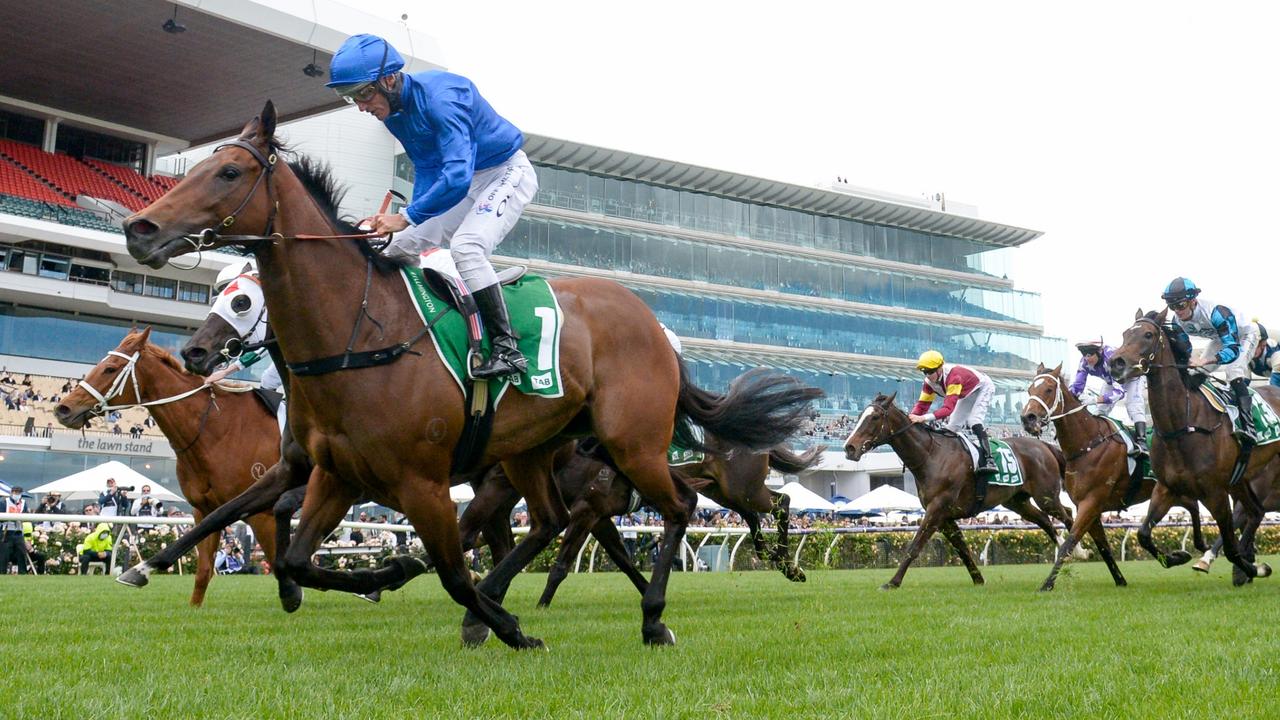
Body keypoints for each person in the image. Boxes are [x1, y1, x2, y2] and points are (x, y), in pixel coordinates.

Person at [327, 33, 539, 380]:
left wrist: (406, 216)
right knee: (395, 247)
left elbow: (455, 175)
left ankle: (507, 348)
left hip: (505, 171)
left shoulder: (442, 98)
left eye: (364, 93)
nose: (362, 106)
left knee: (467, 248)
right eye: (351, 97)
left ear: (390, 79)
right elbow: (428, 169)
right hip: (465, 180)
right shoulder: (393, 113)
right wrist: (407, 222)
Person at [1162, 277, 1261, 446]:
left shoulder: (1216, 312)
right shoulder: (1176, 321)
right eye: (1172, 306)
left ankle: (1249, 427)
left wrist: (1208, 360)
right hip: (1219, 338)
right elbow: (1185, 349)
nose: (1177, 311)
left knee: (1233, 370)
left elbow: (1233, 349)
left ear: (1193, 301)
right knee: (1196, 373)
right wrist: (1189, 359)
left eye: (1180, 305)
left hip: (1244, 335)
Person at [908, 350, 998, 477]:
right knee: (951, 428)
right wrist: (910, 418)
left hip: (982, 388)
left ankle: (989, 460)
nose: (928, 375)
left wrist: (923, 418)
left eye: (930, 371)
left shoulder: (954, 377)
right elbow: (922, 405)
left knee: (973, 421)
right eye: (924, 372)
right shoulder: (928, 383)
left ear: (940, 368)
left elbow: (948, 409)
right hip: (966, 393)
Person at [1068, 337, 1150, 454]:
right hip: (1112, 380)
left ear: (1099, 351)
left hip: (1132, 378)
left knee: (1133, 405)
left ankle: (1142, 442)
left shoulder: (1111, 358)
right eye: (1084, 354)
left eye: (1090, 354)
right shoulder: (1084, 362)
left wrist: (1095, 399)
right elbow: (1077, 387)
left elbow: (1119, 393)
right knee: (1100, 411)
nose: (1087, 358)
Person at [1, 485, 28, 574]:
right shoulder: (4, 502)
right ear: (11, 493)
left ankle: (23, 573)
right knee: (4, 554)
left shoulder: (23, 503)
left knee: (21, 553)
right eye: (15, 492)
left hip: (19, 532)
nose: (16, 494)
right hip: (7, 531)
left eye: (18, 492)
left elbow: (26, 516)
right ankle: (2, 573)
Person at [1249, 323, 1280, 388]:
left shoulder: (1275, 352)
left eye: (1252, 345)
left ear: (1263, 344)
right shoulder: (1245, 355)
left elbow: (1276, 384)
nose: (1248, 349)